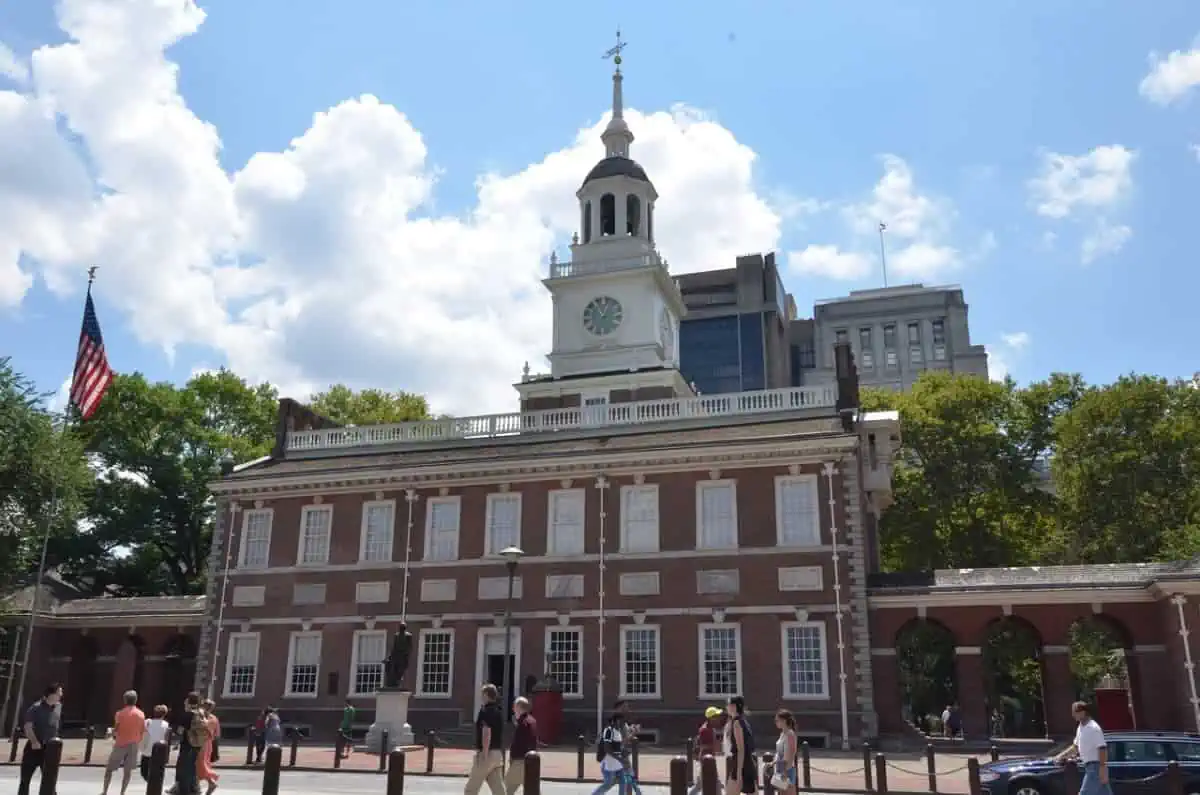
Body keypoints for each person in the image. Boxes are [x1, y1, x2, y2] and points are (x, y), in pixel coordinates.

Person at [1053, 702, 1112, 795]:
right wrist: (1060, 756)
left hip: (1095, 768)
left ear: (1083, 712)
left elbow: (1102, 748)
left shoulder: (1093, 728)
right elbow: (1075, 747)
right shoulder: (1080, 727)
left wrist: (1102, 768)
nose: (1073, 715)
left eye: (1075, 712)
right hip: (1089, 767)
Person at [17, 683, 62, 795]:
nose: (61, 695)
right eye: (59, 692)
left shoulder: (58, 707)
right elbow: (28, 727)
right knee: (25, 779)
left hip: (50, 750)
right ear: (51, 694)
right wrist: (34, 742)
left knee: (50, 780)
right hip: (34, 748)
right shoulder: (36, 708)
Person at [102, 689, 146, 795]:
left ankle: (105, 791)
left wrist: (109, 734)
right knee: (127, 771)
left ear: (125, 700)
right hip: (134, 744)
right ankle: (122, 792)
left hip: (121, 743)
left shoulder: (120, 714)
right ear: (136, 700)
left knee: (109, 769)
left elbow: (116, 729)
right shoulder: (141, 714)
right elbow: (142, 730)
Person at [464, 684, 505, 795]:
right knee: (498, 790)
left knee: (471, 789)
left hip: (487, 754)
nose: (481, 697)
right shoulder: (499, 711)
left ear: (486, 695)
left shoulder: (485, 711)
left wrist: (484, 753)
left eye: (482, 694)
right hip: (497, 753)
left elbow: (486, 732)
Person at [170, 691, 204, 795]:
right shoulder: (201, 713)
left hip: (187, 744)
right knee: (193, 766)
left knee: (183, 767)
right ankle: (194, 788)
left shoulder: (187, 715)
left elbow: (180, 731)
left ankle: (183, 790)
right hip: (198, 743)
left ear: (188, 701)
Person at [505, 696, 538, 795]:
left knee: (505, 789)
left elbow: (519, 742)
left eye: (514, 706)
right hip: (531, 762)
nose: (513, 709)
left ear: (519, 707)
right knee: (532, 790)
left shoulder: (522, 723)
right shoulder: (532, 720)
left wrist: (512, 758)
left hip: (520, 761)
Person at [590, 712, 628, 795]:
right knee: (608, 784)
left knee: (623, 782)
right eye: (623, 722)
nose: (624, 724)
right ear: (617, 721)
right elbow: (607, 748)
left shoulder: (618, 732)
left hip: (618, 764)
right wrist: (620, 758)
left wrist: (623, 753)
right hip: (608, 764)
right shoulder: (609, 731)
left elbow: (618, 747)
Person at [725, 696, 756, 795]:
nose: (726, 707)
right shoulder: (742, 721)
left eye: (728, 705)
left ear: (734, 707)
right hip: (746, 763)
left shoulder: (737, 723)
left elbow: (741, 749)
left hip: (741, 764)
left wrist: (738, 774)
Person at [687, 707, 723, 795]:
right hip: (706, 760)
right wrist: (715, 746)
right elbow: (702, 745)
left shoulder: (710, 728)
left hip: (708, 759)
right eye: (716, 716)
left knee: (700, 784)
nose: (719, 718)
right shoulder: (705, 730)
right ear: (711, 718)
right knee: (715, 783)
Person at [196, 699, 221, 795]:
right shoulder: (214, 718)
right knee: (201, 764)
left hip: (202, 743)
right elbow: (217, 734)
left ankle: (211, 782)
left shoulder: (204, 719)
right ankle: (197, 787)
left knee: (200, 764)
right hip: (208, 744)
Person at [141, 705, 172, 781]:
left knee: (144, 772)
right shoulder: (166, 725)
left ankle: (150, 785)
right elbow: (167, 740)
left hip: (147, 752)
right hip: (158, 753)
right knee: (157, 774)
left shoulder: (147, 722)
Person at [772, 710, 798, 795]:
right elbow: (779, 752)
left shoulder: (790, 734)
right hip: (780, 767)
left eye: (777, 720)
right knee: (781, 792)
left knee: (788, 792)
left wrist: (785, 771)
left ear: (784, 721)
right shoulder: (782, 733)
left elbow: (791, 754)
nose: (775, 723)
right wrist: (773, 763)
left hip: (787, 769)